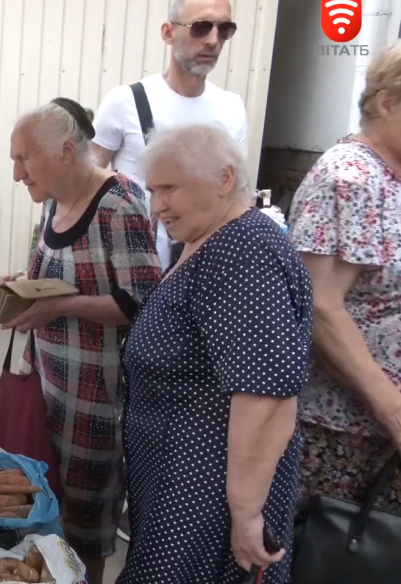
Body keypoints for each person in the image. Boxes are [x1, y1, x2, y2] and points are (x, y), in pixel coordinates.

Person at [119, 124, 312, 584]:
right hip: (182, 485)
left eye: (170, 188)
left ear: (225, 179)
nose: (157, 204)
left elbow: (266, 397)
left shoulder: (243, 251)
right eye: (152, 190)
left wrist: (246, 515)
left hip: (207, 502)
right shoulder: (209, 241)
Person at [0, 98, 161, 584]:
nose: (17, 172)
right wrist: (18, 286)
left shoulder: (118, 201)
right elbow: (50, 275)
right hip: (46, 387)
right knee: (44, 508)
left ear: (66, 151)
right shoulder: (53, 201)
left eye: (24, 158)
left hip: (96, 405)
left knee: (85, 528)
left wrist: (59, 307)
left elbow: (142, 300)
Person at [289, 45, 401, 519]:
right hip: (346, 436)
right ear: (389, 103)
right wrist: (391, 408)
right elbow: (320, 305)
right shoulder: (349, 178)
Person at [91, 0, 246, 271]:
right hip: (132, 274)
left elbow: (237, 199)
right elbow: (84, 184)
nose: (213, 40)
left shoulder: (231, 108)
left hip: (204, 273)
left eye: (224, 29)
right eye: (201, 27)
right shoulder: (126, 101)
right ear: (168, 33)